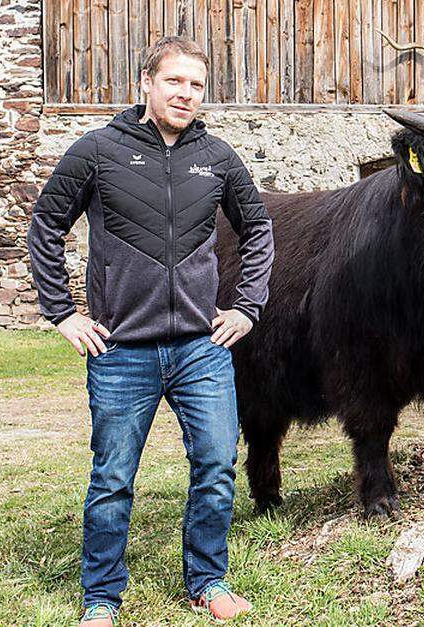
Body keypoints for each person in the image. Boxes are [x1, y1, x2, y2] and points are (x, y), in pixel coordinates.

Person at [27, 36, 274, 626]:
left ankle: (208, 581)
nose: (186, 94)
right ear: (146, 81)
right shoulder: (95, 152)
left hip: (200, 346)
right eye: (175, 82)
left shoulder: (216, 157)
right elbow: (45, 225)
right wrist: (62, 313)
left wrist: (247, 307)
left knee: (216, 467)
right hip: (121, 351)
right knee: (113, 478)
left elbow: (258, 229)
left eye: (196, 85)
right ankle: (101, 598)